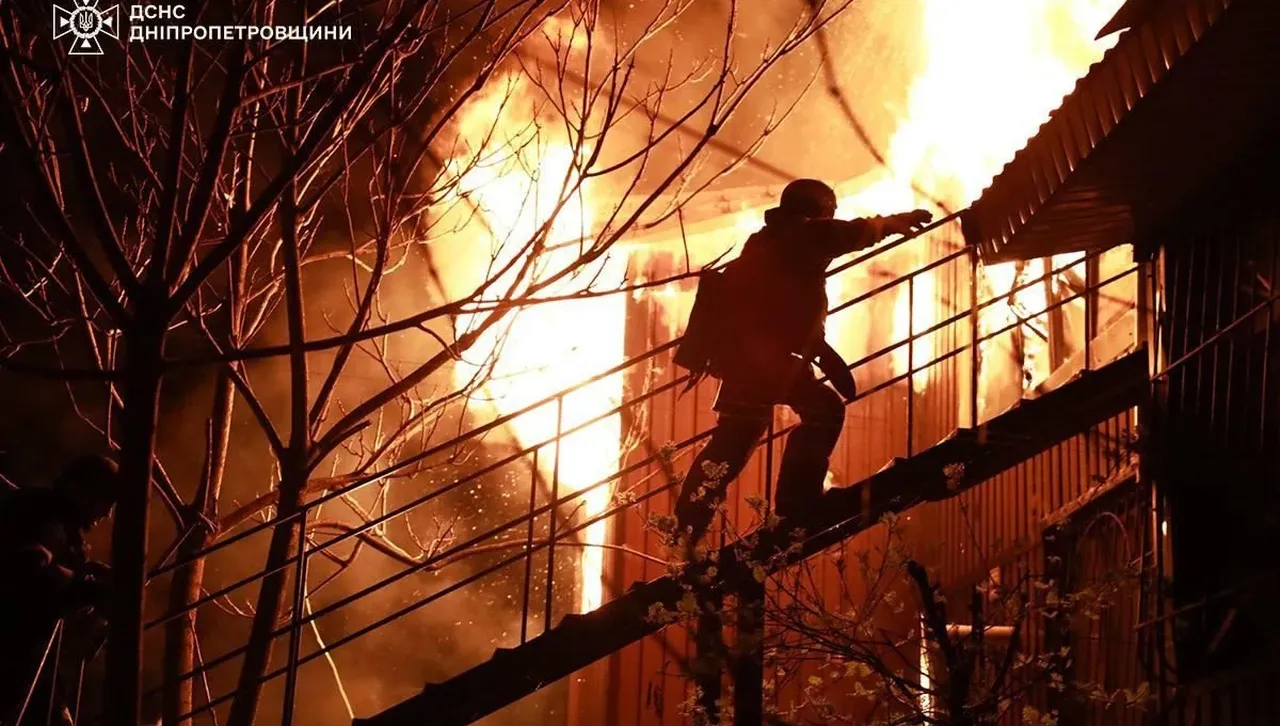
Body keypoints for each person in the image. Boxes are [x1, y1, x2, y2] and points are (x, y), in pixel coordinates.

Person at [673, 179, 932, 549]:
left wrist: (819, 349)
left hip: (752, 361)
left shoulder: (769, 241)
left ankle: (686, 533)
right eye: (830, 211)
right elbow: (835, 235)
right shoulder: (800, 235)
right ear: (820, 209)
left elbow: (784, 305)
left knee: (730, 447)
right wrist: (891, 223)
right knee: (823, 412)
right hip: (763, 362)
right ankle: (795, 504)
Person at [0, 454, 119, 726]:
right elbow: (28, 578)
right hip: (13, 666)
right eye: (106, 502)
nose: (107, 514)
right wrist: (88, 590)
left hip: (32, 669)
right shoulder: (42, 519)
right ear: (81, 490)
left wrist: (82, 576)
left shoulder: (44, 516)